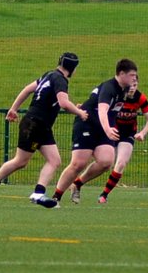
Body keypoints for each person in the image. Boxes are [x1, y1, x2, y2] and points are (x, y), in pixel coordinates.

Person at [0, 52, 84, 209]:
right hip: (34, 124)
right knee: (20, 161)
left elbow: (27, 89)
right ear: (72, 68)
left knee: (54, 160)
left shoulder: (48, 75)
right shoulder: (60, 80)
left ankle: (38, 193)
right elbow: (64, 103)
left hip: (41, 126)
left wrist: (13, 108)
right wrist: (80, 113)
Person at [49, 59, 137, 205]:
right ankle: (56, 197)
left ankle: (77, 183)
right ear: (121, 74)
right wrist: (108, 129)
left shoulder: (125, 90)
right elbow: (102, 110)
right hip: (87, 124)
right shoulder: (109, 88)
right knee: (78, 164)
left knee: (106, 162)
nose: (134, 78)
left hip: (103, 127)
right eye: (132, 75)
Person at [75, 83, 148, 204]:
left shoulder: (140, 98)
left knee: (121, 163)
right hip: (112, 131)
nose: (132, 88)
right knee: (104, 162)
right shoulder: (117, 95)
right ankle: (78, 182)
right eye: (130, 85)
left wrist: (142, 133)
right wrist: (84, 107)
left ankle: (104, 195)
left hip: (128, 134)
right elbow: (100, 106)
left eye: (135, 85)